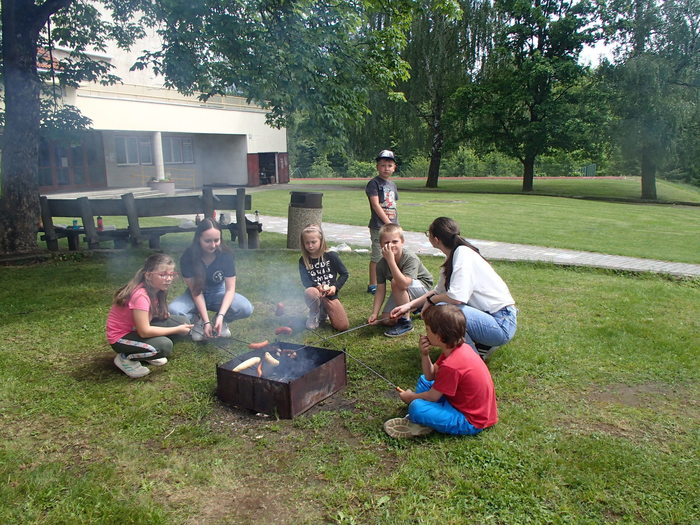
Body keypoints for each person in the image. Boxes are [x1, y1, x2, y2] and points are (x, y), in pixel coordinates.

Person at [390, 217, 517, 359]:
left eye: (428, 234)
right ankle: (480, 346)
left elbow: (456, 298)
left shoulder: (462, 253)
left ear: (436, 239)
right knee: (442, 307)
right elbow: (438, 291)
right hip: (493, 318)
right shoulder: (453, 256)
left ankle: (470, 360)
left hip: (501, 323)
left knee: (443, 311)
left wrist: (432, 301)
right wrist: (408, 306)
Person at [384, 304, 498, 438]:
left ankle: (424, 421)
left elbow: (433, 396)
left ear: (439, 337)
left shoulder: (452, 365)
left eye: (428, 330)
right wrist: (425, 355)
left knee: (416, 408)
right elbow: (430, 375)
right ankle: (431, 415)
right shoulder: (456, 348)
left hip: (471, 420)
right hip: (457, 401)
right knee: (424, 380)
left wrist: (410, 398)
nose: (425, 333)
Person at [106, 253, 193, 378]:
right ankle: (125, 357)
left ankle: (146, 351)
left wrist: (160, 314)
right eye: (163, 275)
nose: (168, 279)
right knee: (164, 346)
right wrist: (176, 329)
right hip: (121, 337)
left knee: (183, 321)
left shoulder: (157, 288)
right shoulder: (141, 296)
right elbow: (144, 332)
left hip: (136, 328)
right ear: (148, 275)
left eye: (171, 274)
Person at [169, 218, 253, 341]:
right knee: (173, 310)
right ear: (199, 239)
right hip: (195, 294)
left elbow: (230, 290)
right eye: (208, 241)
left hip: (218, 292)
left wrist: (221, 315)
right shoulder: (188, 257)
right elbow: (196, 292)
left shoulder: (226, 255)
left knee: (245, 308)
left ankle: (220, 322)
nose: (213, 245)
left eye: (216, 240)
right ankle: (197, 322)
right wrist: (206, 321)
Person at [369, 223, 434, 337]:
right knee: (387, 319)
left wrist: (391, 261)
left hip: (423, 288)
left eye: (395, 241)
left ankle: (406, 322)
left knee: (396, 282)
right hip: (402, 288)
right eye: (386, 242)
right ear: (381, 244)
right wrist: (375, 313)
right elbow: (380, 290)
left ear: (402, 242)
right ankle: (417, 307)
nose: (391, 245)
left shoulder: (410, 257)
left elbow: (404, 284)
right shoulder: (381, 265)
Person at [298, 224, 350, 331]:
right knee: (310, 291)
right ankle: (314, 313)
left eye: (313, 242)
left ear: (321, 241)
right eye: (307, 243)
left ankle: (324, 312)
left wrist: (335, 287)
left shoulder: (331, 256)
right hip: (315, 294)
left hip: (330, 294)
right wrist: (317, 287)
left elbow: (344, 274)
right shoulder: (303, 260)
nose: (310, 245)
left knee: (342, 326)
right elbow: (305, 281)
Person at [365, 149, 399, 295]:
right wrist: (387, 222)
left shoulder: (392, 185)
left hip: (392, 225)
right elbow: (375, 205)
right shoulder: (373, 183)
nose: (386, 168)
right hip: (379, 226)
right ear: (377, 167)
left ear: (394, 167)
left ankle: (393, 279)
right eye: (383, 165)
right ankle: (373, 284)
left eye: (389, 165)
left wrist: (395, 224)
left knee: (393, 252)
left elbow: (393, 205)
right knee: (378, 255)